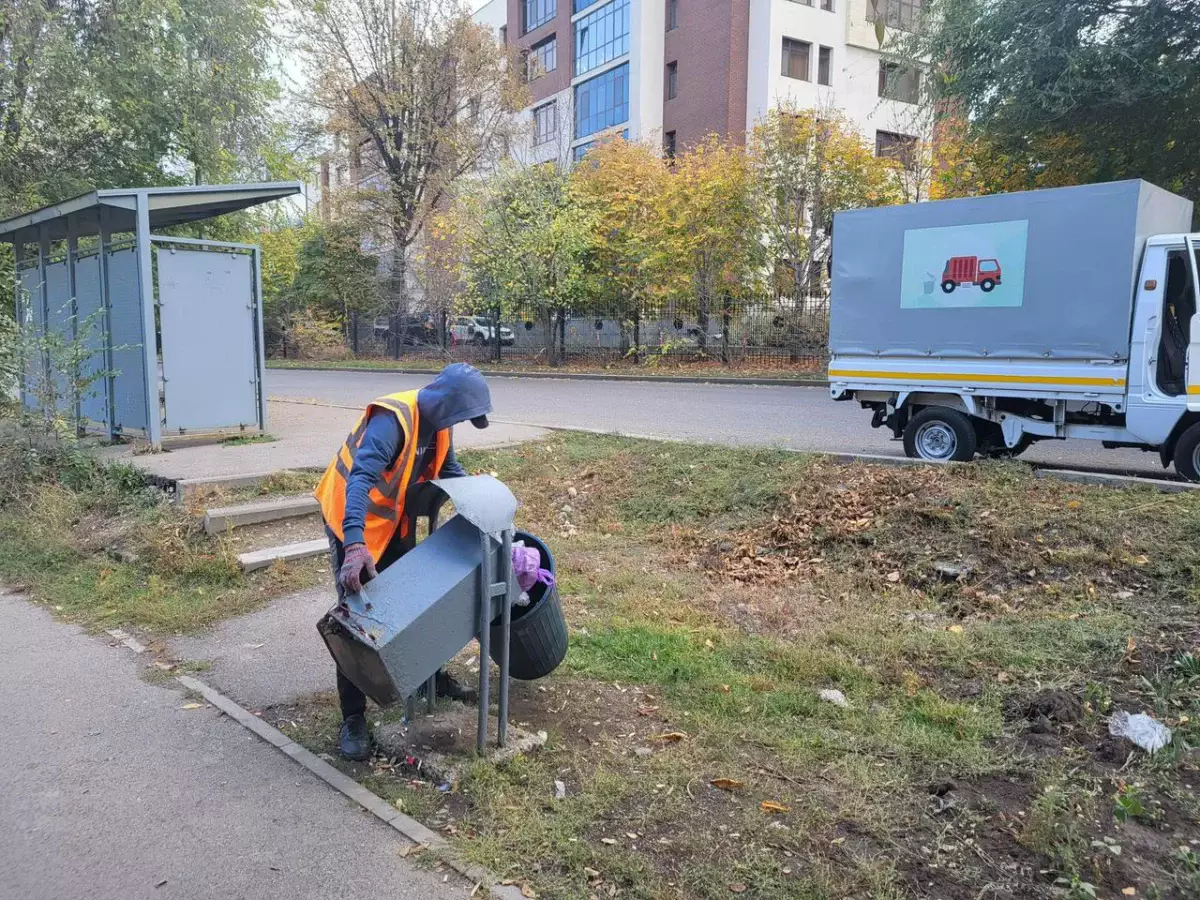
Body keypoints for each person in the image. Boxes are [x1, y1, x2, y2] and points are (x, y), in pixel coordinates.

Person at [314, 363, 493, 761]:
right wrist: (356, 545)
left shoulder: (440, 425)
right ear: (446, 403)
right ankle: (353, 719)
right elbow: (360, 479)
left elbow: (449, 471)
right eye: (462, 416)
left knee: (413, 599)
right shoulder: (393, 421)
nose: (461, 424)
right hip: (352, 519)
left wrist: (479, 506)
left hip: (393, 520)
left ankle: (428, 677)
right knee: (357, 616)